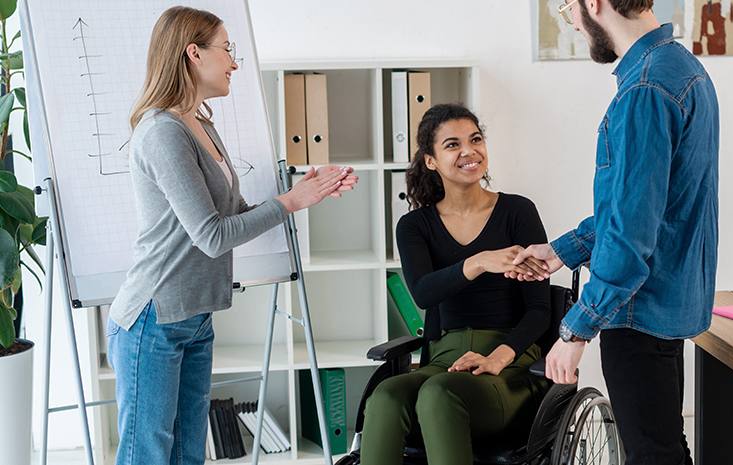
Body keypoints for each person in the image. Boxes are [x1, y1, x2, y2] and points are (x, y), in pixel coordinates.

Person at [105, 6, 358, 465]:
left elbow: (234, 214)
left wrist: (305, 192)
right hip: (153, 318)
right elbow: (212, 236)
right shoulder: (161, 132)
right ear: (193, 53)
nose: (235, 63)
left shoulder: (202, 126)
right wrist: (289, 203)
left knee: (187, 455)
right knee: (147, 456)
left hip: (196, 316)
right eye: (227, 50)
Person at [508, 1, 719, 464]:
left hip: (637, 308)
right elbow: (642, 209)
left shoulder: (645, 87)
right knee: (661, 445)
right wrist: (564, 250)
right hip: (665, 300)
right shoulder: (680, 67)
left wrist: (576, 329)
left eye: (569, 8)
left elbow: (629, 236)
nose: (574, 21)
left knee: (652, 453)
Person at [359, 103, 553, 465]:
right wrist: (479, 262)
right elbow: (423, 291)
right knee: (386, 395)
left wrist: (498, 358)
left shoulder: (517, 211)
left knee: (438, 393)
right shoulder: (415, 226)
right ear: (431, 160)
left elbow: (540, 310)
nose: (469, 151)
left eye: (475, 139)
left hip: (510, 367)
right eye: (452, 144)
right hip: (445, 360)